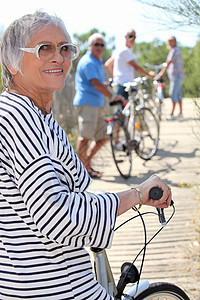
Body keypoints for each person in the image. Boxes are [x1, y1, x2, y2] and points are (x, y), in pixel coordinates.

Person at [0, 11, 172, 299]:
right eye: (45, 49)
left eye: (65, 48)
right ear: (12, 63)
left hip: (58, 273)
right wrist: (136, 195)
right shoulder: (17, 118)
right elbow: (57, 215)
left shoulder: (39, 116)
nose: (59, 57)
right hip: (49, 285)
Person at [73, 33, 124, 178]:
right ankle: (82, 171)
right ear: (90, 46)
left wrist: (106, 85)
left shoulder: (97, 61)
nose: (99, 47)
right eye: (96, 44)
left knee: (103, 136)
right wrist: (113, 96)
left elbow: (98, 83)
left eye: (102, 45)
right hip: (87, 104)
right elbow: (95, 84)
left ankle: (86, 164)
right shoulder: (88, 62)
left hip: (96, 104)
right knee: (85, 138)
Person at [105, 29, 155, 100]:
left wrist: (115, 78)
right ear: (126, 37)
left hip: (119, 83)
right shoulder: (126, 51)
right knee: (125, 108)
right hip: (124, 85)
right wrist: (149, 75)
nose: (132, 39)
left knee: (122, 108)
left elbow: (108, 64)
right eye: (130, 36)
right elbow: (136, 67)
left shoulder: (119, 50)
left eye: (134, 37)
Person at [156, 36, 185, 120]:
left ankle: (172, 113)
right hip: (178, 76)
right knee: (178, 94)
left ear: (175, 41)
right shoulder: (176, 50)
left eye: (171, 41)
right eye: (169, 41)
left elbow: (168, 62)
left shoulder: (174, 50)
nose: (170, 43)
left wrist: (161, 73)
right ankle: (180, 113)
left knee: (173, 94)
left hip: (176, 76)